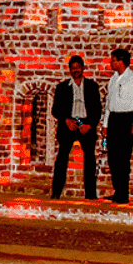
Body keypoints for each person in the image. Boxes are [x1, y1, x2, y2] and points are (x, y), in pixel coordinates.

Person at [50, 55, 102, 199]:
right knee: (61, 159)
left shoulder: (92, 86)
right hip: (69, 123)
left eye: (78, 67)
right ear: (69, 70)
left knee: (90, 160)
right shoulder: (62, 87)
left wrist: (90, 125)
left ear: (83, 68)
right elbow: (55, 110)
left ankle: (91, 195)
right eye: (73, 68)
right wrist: (66, 120)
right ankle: (56, 193)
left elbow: (98, 109)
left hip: (85, 123)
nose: (75, 71)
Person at [99, 47, 133, 204]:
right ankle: (117, 190)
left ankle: (123, 193)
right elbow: (108, 103)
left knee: (123, 157)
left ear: (121, 61)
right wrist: (105, 123)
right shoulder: (113, 79)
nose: (111, 63)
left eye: (113, 60)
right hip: (114, 118)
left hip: (127, 118)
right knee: (113, 158)